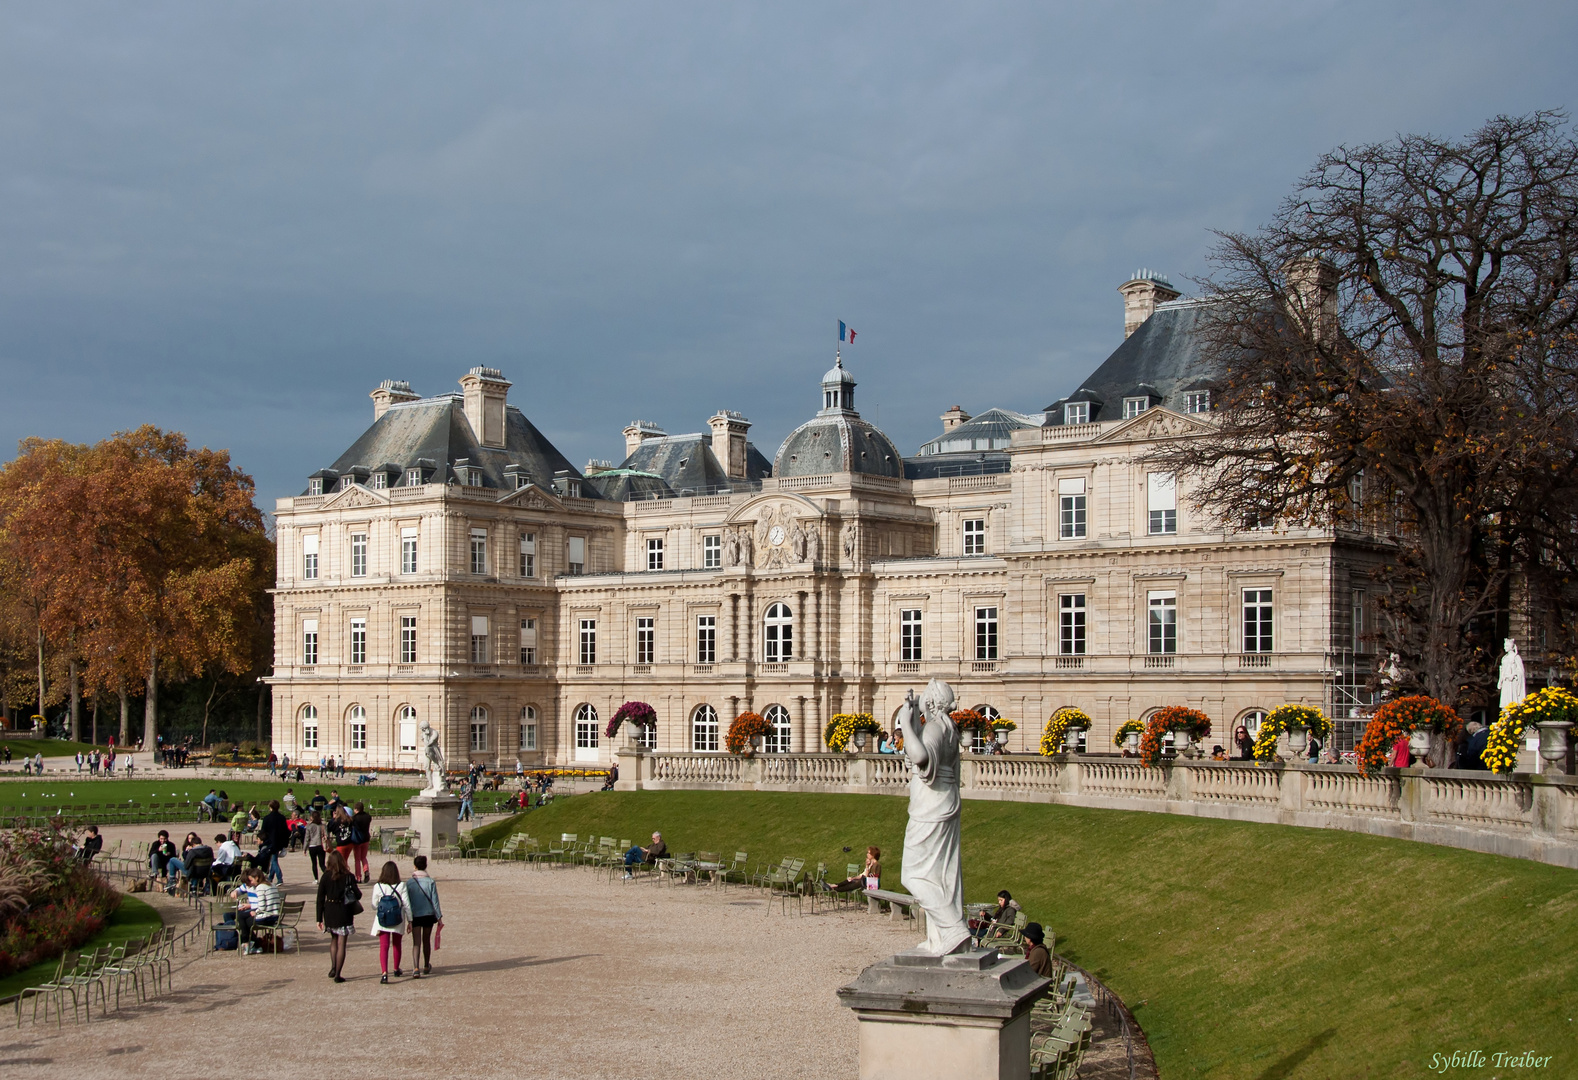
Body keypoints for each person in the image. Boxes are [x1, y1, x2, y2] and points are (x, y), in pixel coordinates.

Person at [316, 851, 360, 982]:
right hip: (344, 909)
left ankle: (333, 967)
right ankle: (338, 974)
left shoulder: (325, 876)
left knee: (334, 940)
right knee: (342, 943)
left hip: (329, 909)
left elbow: (319, 898)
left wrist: (319, 918)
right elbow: (358, 894)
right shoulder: (348, 876)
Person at [369, 860, 411, 983]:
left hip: (383, 919)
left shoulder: (378, 886)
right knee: (397, 944)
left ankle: (384, 973)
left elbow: (373, 905)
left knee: (384, 946)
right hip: (397, 917)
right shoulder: (401, 885)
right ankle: (396, 968)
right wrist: (410, 920)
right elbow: (406, 904)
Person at [406, 855, 443, 978]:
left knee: (416, 942)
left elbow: (407, 901)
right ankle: (426, 965)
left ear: (415, 866)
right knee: (426, 940)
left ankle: (416, 967)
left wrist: (408, 918)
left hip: (415, 915)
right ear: (425, 866)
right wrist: (439, 917)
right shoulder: (430, 881)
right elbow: (435, 901)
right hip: (428, 914)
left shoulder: (410, 883)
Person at [231, 866, 282, 954]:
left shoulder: (260, 887)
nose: (251, 883)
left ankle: (247, 944)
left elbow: (262, 907)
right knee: (243, 918)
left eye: (251, 880)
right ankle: (252, 944)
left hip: (266, 917)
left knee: (242, 919)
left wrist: (255, 912)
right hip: (275, 916)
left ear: (257, 878)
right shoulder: (272, 884)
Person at [256, 799, 291, 885]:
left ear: (270, 807)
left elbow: (263, 831)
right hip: (279, 842)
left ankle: (279, 878)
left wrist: (261, 841)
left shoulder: (267, 818)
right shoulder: (282, 818)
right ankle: (270, 877)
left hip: (270, 842)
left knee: (273, 861)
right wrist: (285, 843)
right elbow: (285, 831)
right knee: (273, 859)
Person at [350, 802, 373, 883]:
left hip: (357, 839)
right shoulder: (368, 817)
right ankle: (366, 870)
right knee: (363, 857)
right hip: (366, 838)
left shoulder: (354, 818)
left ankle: (358, 877)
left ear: (356, 809)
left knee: (357, 859)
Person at [304, 810, 328, 880]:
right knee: (322, 864)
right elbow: (326, 835)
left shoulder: (309, 826)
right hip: (321, 845)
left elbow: (307, 838)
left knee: (314, 864)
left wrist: (304, 848)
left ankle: (316, 879)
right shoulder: (323, 825)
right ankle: (329, 876)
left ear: (312, 818)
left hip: (312, 846)